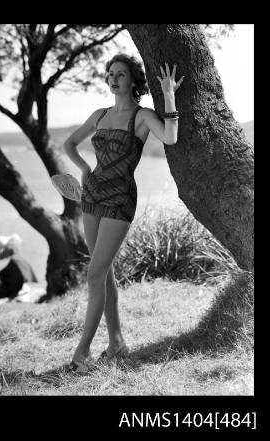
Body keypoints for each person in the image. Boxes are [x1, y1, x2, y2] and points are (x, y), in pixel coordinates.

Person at [63, 53, 184, 372]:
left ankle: (82, 353)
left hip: (120, 199)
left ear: (133, 80)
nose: (113, 78)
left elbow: (170, 137)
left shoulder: (142, 116)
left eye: (120, 73)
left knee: (94, 274)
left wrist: (169, 95)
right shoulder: (99, 115)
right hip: (92, 196)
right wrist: (84, 169)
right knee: (104, 272)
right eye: (110, 73)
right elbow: (69, 144)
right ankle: (116, 343)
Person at [0, 234, 38, 302]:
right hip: (16, 263)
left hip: (15, 264)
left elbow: (0, 257)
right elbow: (0, 257)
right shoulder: (13, 253)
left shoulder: (12, 251)